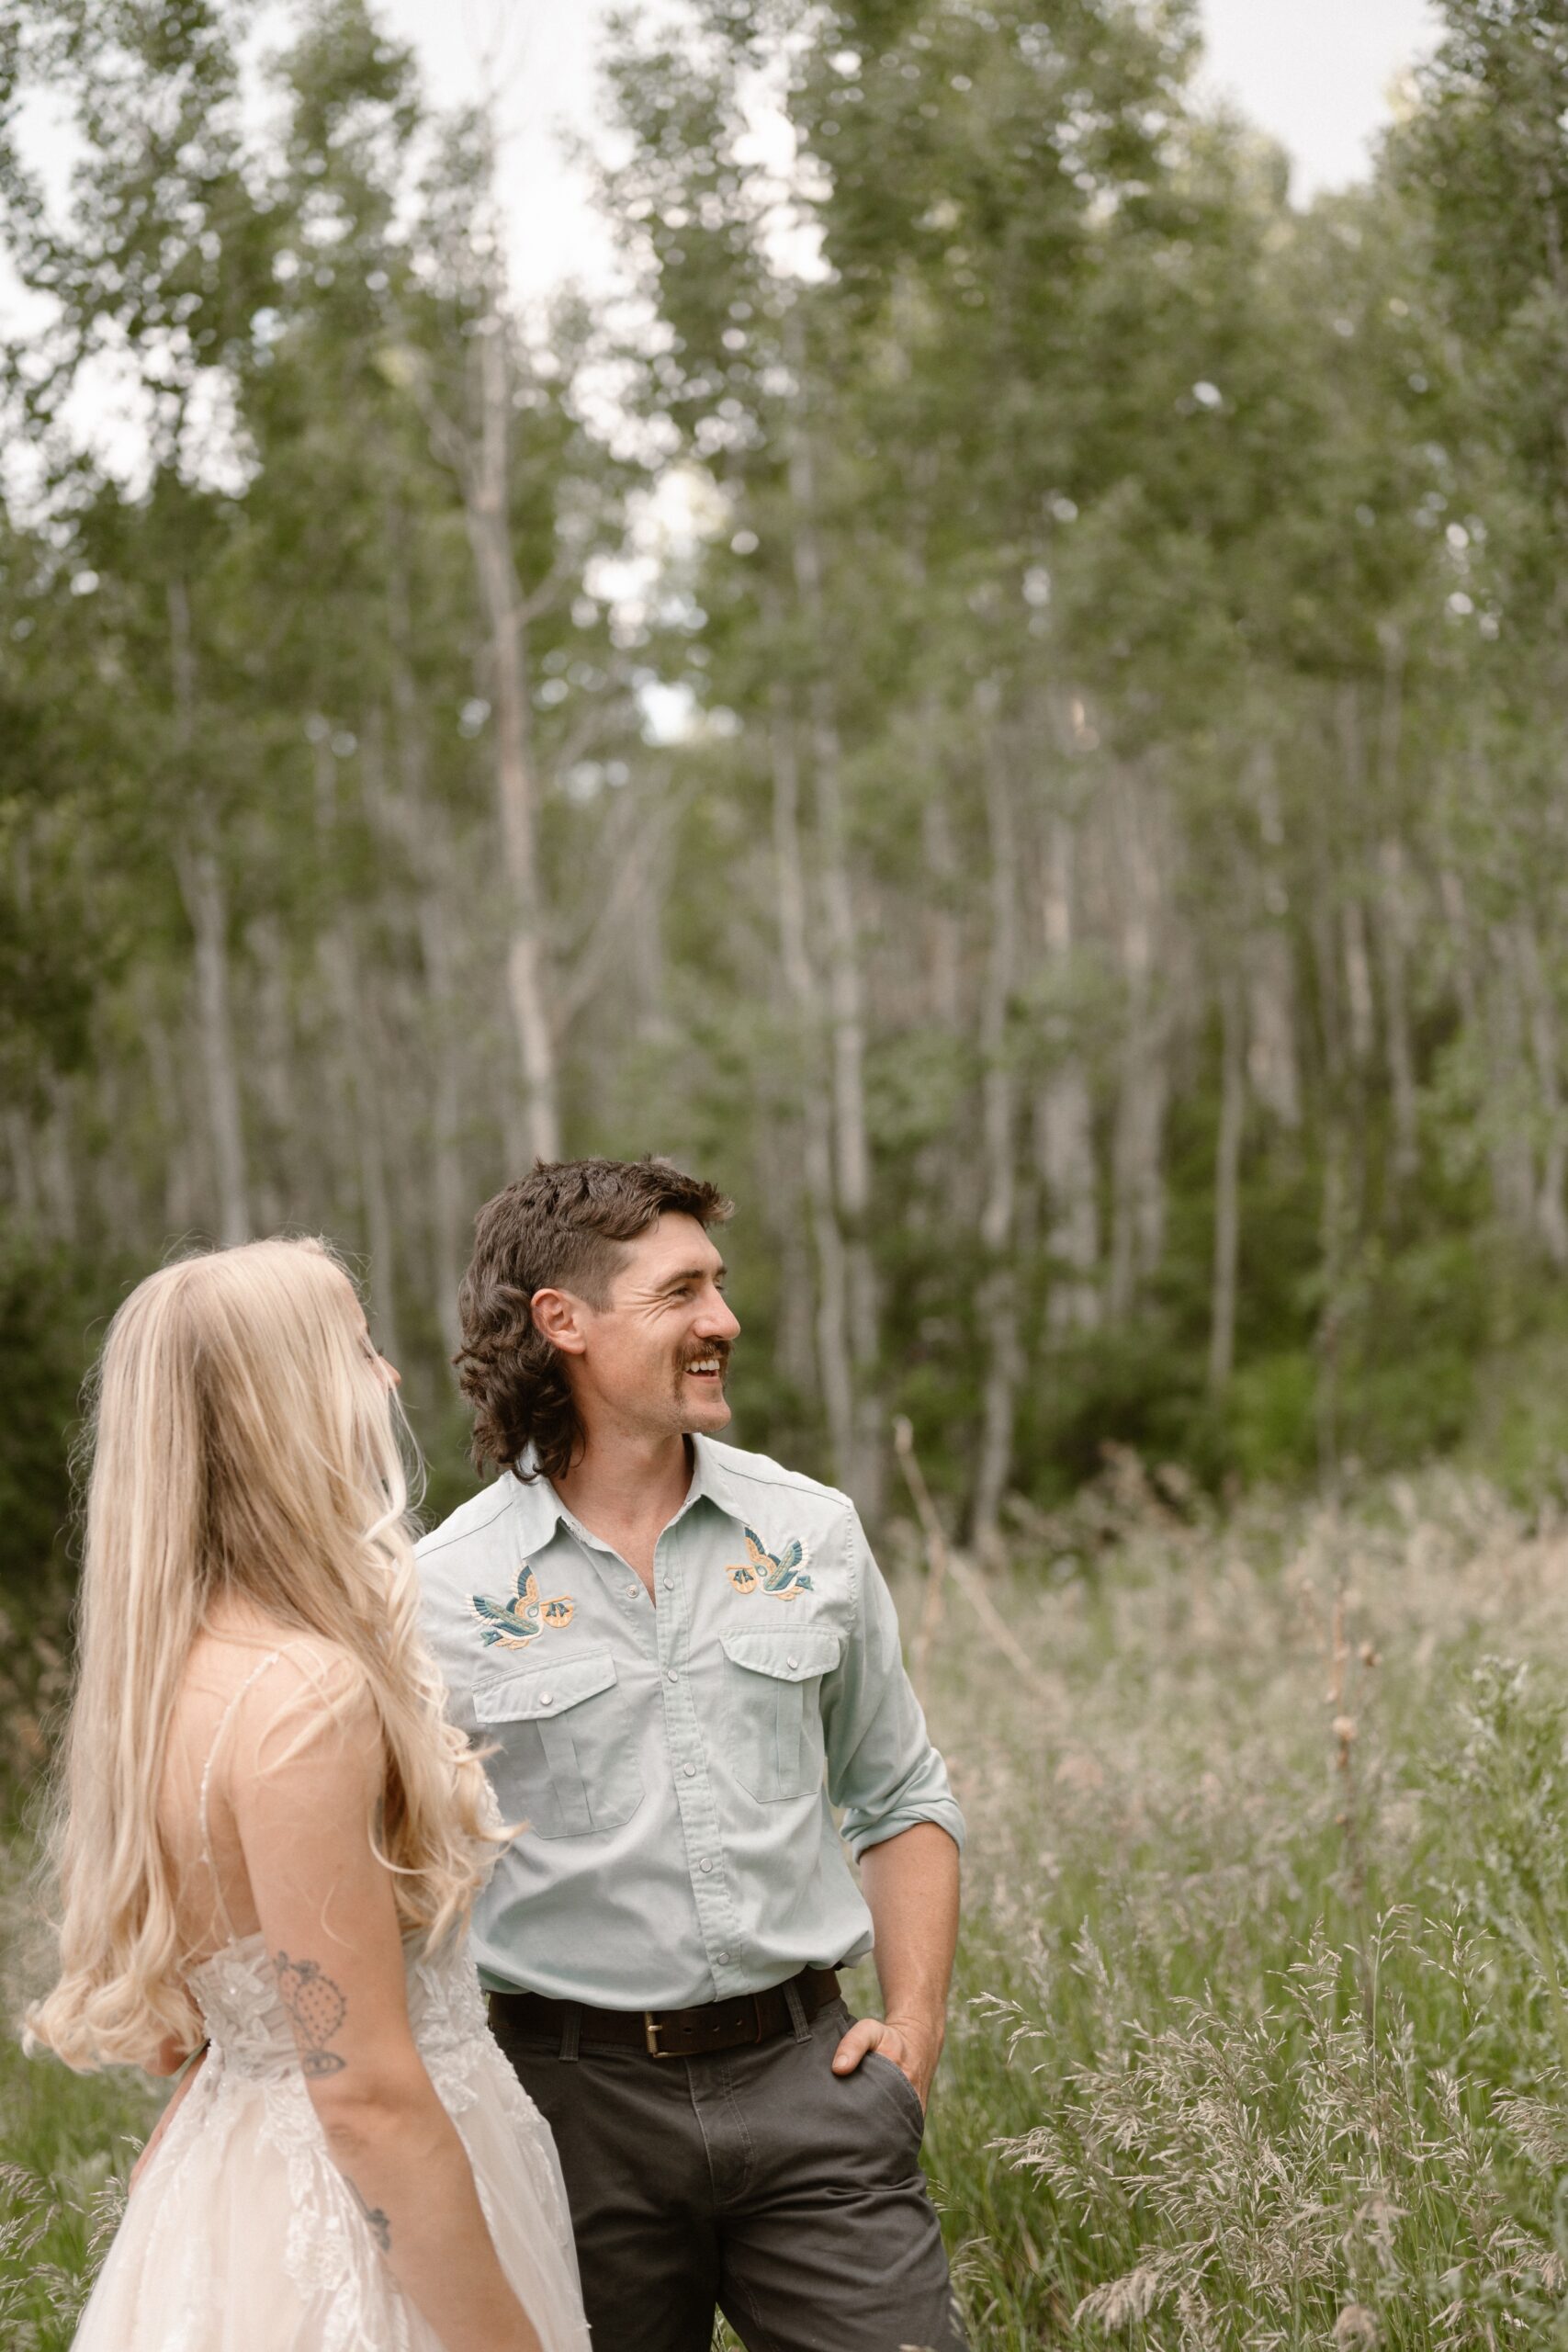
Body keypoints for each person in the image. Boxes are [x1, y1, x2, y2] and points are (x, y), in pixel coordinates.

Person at [418, 1156, 969, 2352]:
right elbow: (397, 1880)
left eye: (716, 1288)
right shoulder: (441, 1592)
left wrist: (912, 2029)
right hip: (566, 2111)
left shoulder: (807, 1530)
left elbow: (899, 1796)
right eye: (681, 1293)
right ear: (562, 1322)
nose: (722, 1320)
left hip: (810, 2085)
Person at [27, 1237, 590, 2352]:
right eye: (359, 1349)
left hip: (227, 2189)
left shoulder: (170, 1679)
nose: (388, 1378)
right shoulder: (305, 1695)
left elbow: (207, 2033)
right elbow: (367, 2098)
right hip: (356, 2230)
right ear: (284, 1410)